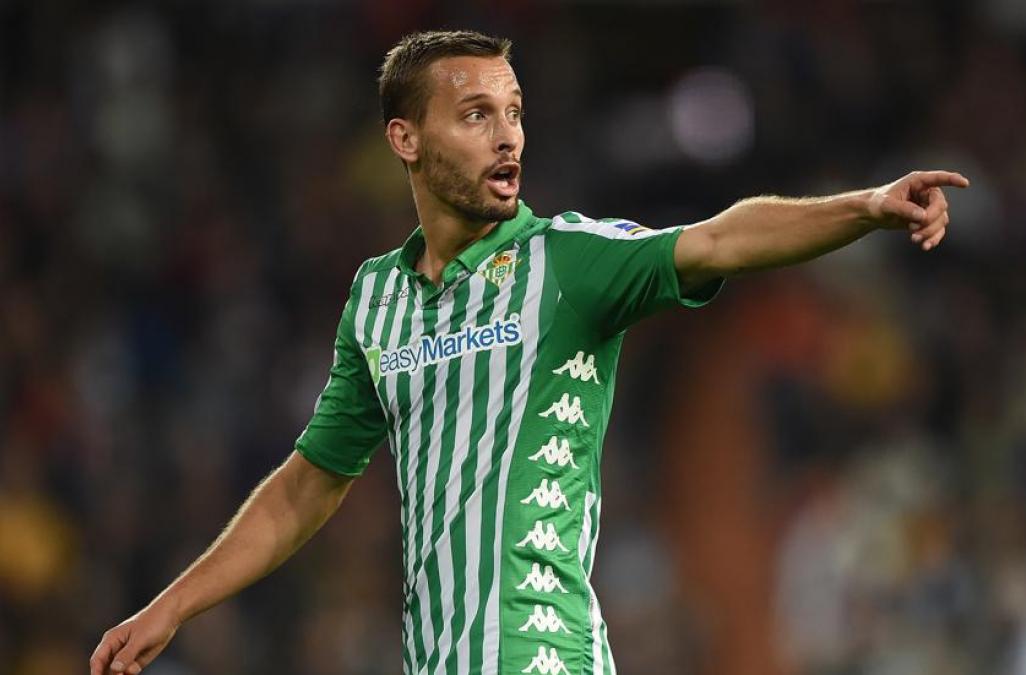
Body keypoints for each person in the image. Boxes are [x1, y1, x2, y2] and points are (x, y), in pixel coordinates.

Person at [90, 29, 968, 675]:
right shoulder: (379, 299)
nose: (507, 135)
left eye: (513, 113)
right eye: (476, 115)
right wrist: (173, 605)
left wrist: (864, 207)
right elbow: (307, 486)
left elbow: (717, 241)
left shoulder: (569, 263)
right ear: (406, 138)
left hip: (543, 654)